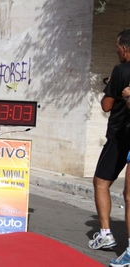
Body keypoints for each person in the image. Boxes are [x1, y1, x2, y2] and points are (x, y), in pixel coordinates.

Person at [88, 29, 130, 252]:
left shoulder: (121, 70)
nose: (116, 52)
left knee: (101, 182)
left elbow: (106, 106)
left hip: (118, 137)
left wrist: (110, 86)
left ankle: (105, 233)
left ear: (124, 49)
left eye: (117, 49)